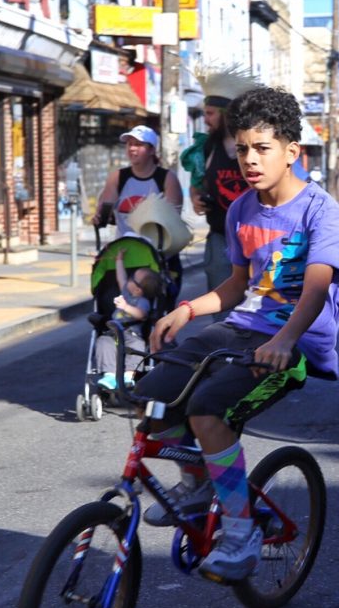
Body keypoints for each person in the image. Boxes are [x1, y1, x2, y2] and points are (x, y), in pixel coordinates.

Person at [136, 86, 339, 581]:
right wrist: (188, 310)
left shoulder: (321, 211)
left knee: (206, 411)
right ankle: (197, 483)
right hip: (239, 330)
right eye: (242, 149)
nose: (250, 160)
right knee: (149, 398)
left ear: (291, 152)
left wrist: (282, 340)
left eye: (262, 148)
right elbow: (238, 286)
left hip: (291, 346)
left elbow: (317, 286)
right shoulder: (241, 211)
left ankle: (241, 531)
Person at [180, 65, 260, 317]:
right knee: (220, 302)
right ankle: (223, 353)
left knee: (258, 300)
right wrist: (195, 198)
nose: (206, 119)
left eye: (211, 113)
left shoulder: (250, 144)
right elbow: (196, 184)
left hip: (255, 236)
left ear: (226, 114)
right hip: (220, 237)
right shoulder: (205, 149)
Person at [92, 125, 184, 297]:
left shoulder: (166, 178)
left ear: (151, 150)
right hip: (126, 252)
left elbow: (173, 220)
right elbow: (105, 211)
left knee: (160, 306)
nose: (132, 148)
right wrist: (100, 217)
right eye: (129, 144)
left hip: (158, 255)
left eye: (138, 144)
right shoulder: (118, 177)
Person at [93, 247, 163, 390]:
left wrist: (125, 307)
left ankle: (129, 375)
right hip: (113, 333)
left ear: (137, 290)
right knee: (103, 342)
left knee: (138, 347)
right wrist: (119, 260)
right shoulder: (126, 291)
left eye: (133, 278)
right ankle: (110, 375)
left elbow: (141, 314)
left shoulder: (142, 301)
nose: (129, 278)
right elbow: (121, 277)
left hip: (132, 334)